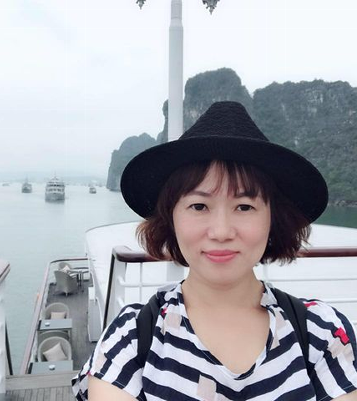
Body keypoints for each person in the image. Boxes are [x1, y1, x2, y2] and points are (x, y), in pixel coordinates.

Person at [72, 101, 357, 400]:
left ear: (273, 219)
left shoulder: (321, 333)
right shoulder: (131, 338)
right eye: (199, 206)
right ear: (171, 218)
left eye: (244, 207)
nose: (221, 232)